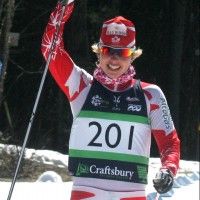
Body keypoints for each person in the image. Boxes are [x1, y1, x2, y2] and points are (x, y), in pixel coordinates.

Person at [41, 1, 180, 199]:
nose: (114, 60)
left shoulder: (151, 95)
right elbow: (50, 50)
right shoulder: (82, 86)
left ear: (132, 55)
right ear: (99, 52)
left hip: (131, 194)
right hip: (87, 192)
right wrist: (64, 8)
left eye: (122, 53)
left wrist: (168, 169)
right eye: (108, 51)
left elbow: (169, 142)